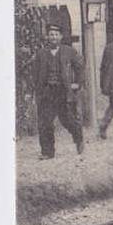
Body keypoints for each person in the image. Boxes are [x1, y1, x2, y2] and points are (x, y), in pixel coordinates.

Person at [31, 23, 85, 159]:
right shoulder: (41, 53)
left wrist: (77, 84)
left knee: (68, 120)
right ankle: (47, 152)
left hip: (63, 92)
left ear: (60, 36)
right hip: (47, 92)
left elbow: (80, 67)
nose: (53, 37)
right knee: (45, 122)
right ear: (47, 37)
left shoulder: (69, 51)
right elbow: (35, 74)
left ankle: (78, 137)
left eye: (56, 34)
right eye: (51, 34)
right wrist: (33, 90)